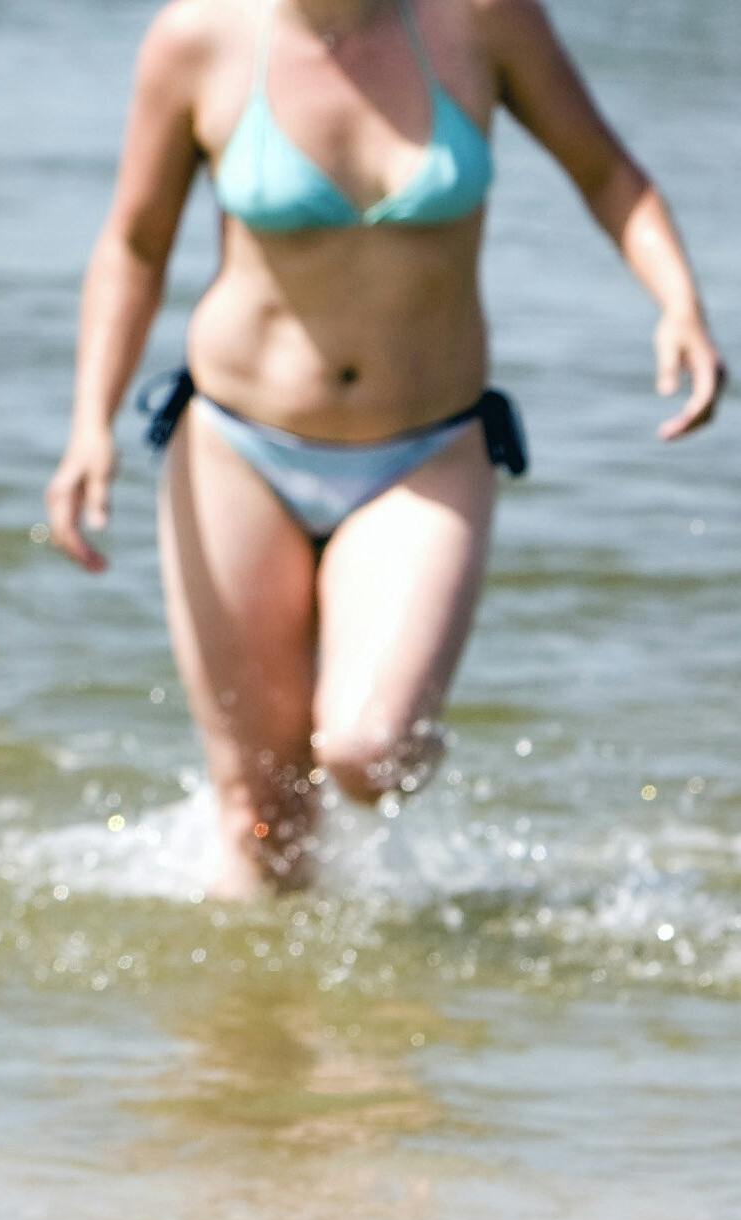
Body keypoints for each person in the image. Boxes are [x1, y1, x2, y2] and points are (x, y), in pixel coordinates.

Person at [45, 0, 721, 896]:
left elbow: (607, 173)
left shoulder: (482, 20)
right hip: (237, 447)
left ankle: (394, 737)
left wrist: (678, 302)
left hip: (427, 452)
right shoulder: (199, 36)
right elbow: (136, 242)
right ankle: (265, 1030)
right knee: (261, 816)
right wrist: (89, 423)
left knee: (369, 750)